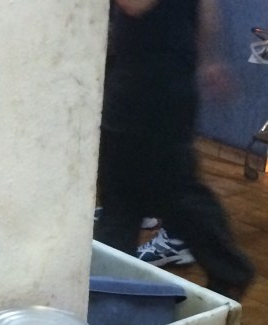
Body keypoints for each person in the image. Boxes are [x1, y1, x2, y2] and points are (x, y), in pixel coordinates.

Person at [95, 0, 255, 300]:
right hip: (153, 79)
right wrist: (207, 60)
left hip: (150, 84)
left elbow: (134, 5)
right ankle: (106, 289)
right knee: (129, 196)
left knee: (166, 190)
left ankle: (230, 270)